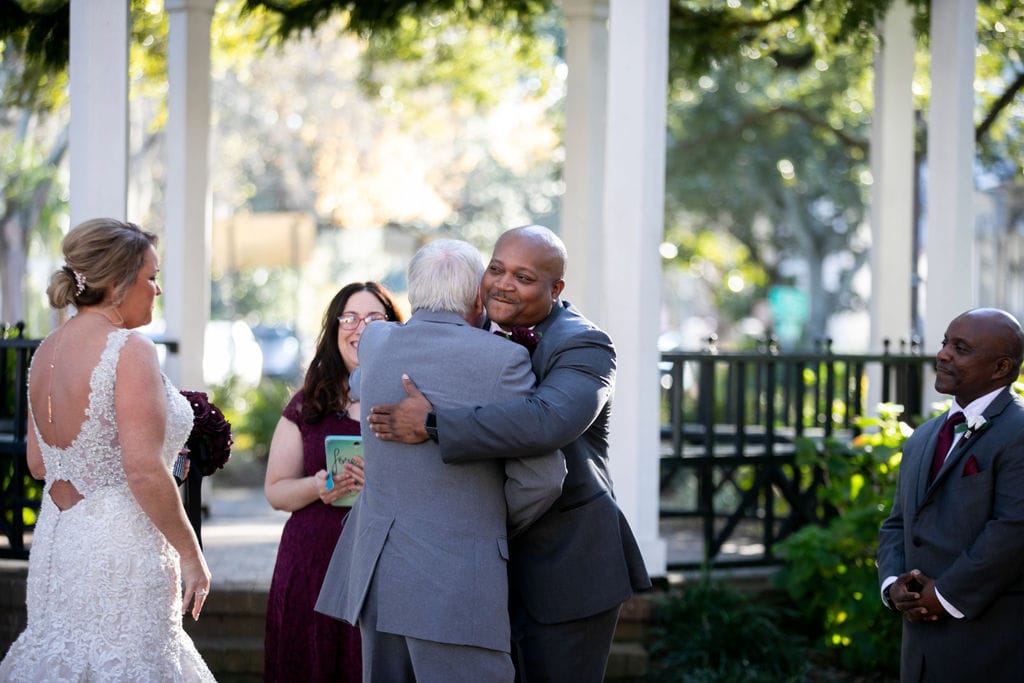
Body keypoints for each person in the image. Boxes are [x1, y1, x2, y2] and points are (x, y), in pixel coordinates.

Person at [367, 225, 652, 682]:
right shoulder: (474, 330)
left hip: (566, 563)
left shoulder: (585, 344)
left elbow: (546, 421)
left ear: (555, 288)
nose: (503, 283)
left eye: (522, 277)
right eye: (496, 269)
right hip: (483, 571)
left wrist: (434, 423)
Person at [314, 239, 567, 682]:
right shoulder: (504, 360)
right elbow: (543, 478)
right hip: (457, 578)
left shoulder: (376, 341)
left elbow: (359, 382)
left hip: (375, 571)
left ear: (412, 295)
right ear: (476, 296)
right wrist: (490, 522)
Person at [0, 218, 214, 680]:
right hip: (121, 547)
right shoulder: (129, 349)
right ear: (117, 284)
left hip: (60, 541)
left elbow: (40, 465)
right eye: (151, 277)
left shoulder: (46, 353)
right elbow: (142, 470)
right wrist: (191, 553)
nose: (157, 290)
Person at [263, 281, 402, 683]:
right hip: (311, 566)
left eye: (376, 318)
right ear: (334, 327)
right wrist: (317, 487)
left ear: (394, 328)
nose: (362, 328)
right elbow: (276, 490)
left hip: (384, 562)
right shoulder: (308, 402)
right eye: (351, 318)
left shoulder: (410, 398)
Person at [877, 307, 1024, 681]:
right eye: (945, 342)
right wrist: (893, 584)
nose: (943, 354)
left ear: (1001, 368)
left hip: (990, 647)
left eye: (961, 348)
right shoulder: (923, 437)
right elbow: (897, 523)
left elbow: (1013, 529)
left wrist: (942, 594)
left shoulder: (1018, 431)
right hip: (920, 655)